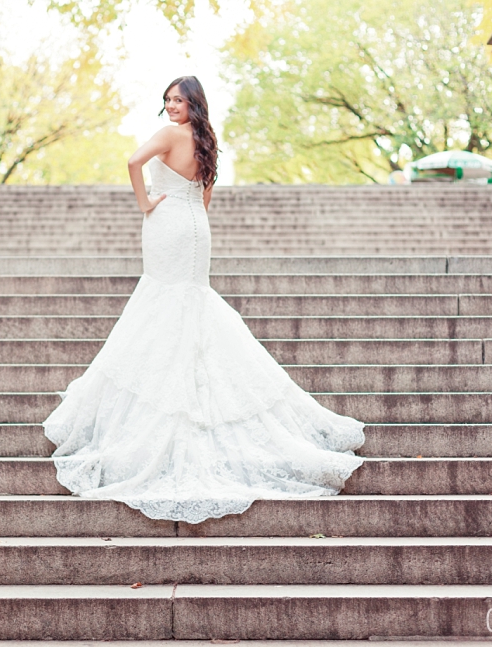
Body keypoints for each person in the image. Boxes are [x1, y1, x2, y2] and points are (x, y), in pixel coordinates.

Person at [43, 76, 365, 524]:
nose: (171, 106)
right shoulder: (206, 140)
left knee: (162, 302)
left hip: (168, 222)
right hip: (196, 226)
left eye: (178, 99)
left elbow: (133, 161)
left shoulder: (172, 134)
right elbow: (205, 195)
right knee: (191, 302)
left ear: (193, 102)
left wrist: (146, 204)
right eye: (167, 100)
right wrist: (187, 214)